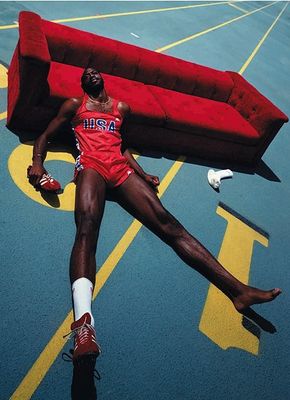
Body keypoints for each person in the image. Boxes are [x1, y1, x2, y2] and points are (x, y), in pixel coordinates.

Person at [28, 67, 281, 365]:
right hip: (91, 167)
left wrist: (142, 173)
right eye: (86, 73)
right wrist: (37, 164)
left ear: (104, 79)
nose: (91, 73)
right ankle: (84, 326)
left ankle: (238, 291)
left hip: (120, 170)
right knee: (86, 229)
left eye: (95, 71)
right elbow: (44, 135)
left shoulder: (121, 108)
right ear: (83, 83)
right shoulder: (74, 105)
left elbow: (122, 146)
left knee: (171, 226)